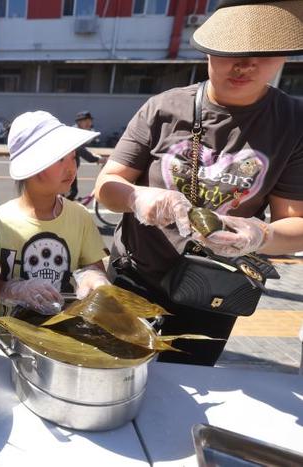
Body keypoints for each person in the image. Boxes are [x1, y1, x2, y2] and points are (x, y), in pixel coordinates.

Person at [95, 0, 303, 366]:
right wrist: (136, 197)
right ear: (210, 51)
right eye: (231, 53)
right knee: (113, 368)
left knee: (186, 383)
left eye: (263, 54)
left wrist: (260, 235)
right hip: (136, 275)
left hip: (215, 289)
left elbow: (295, 223)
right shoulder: (163, 108)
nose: (244, 65)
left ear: (283, 56)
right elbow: (107, 186)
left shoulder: (292, 124)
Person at [0, 111, 110, 316]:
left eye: (73, 157)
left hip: (65, 331)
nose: (71, 168)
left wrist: (94, 278)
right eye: (60, 159)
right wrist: (13, 289)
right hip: (8, 335)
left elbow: (94, 266)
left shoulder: (79, 215)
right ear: (31, 166)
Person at [66, 110, 101, 201]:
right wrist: (96, 159)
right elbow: (82, 151)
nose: (89, 123)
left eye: (90, 121)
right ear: (79, 122)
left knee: (71, 192)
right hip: (65, 168)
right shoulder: (74, 133)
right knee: (70, 192)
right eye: (86, 121)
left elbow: (80, 149)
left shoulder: (77, 131)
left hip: (69, 168)